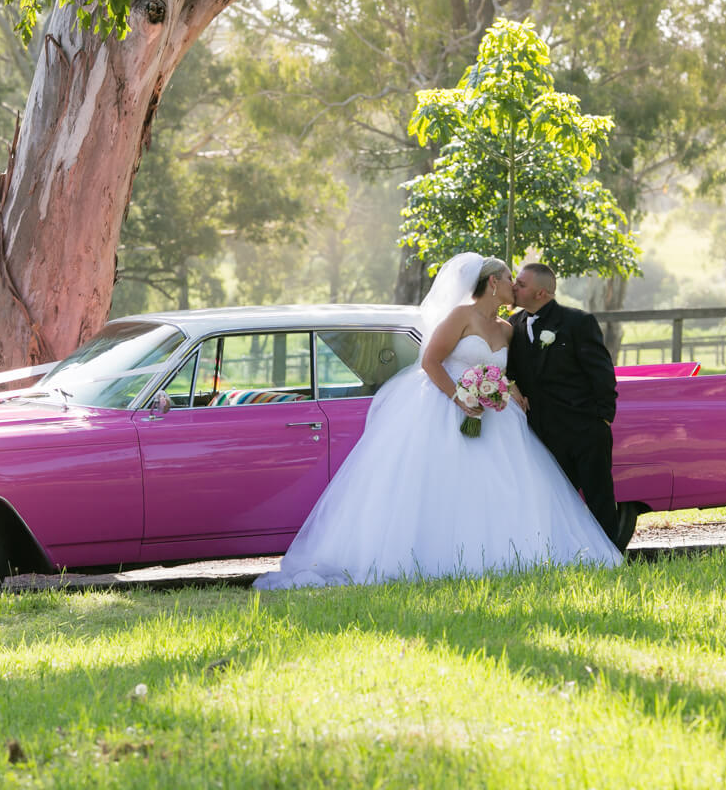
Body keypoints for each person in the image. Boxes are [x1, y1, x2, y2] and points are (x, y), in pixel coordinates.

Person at [253, 253, 620, 590]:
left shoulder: (508, 327)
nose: (514, 285)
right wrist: (459, 396)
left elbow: (509, 370)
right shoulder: (460, 316)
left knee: (500, 486)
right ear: (493, 283)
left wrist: (510, 388)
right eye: (511, 279)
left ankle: (501, 554)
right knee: (443, 484)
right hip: (444, 407)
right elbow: (431, 360)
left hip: (496, 416)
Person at [507, 263, 625, 551]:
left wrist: (603, 418)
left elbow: (601, 373)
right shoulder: (513, 325)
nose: (514, 287)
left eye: (521, 284)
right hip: (542, 434)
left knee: (598, 498)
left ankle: (611, 556)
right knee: (555, 500)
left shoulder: (577, 322)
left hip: (585, 429)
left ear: (541, 293)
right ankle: (563, 555)